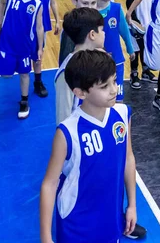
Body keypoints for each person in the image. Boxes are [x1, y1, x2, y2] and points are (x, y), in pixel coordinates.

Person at [39, 50, 138, 243]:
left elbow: (128, 158)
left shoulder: (123, 114)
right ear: (80, 92)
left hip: (110, 218)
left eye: (114, 81)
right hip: (76, 225)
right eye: (104, 86)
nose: (113, 90)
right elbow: (49, 184)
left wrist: (132, 205)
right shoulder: (67, 132)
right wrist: (45, 237)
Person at [0, 0, 44, 119]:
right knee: (5, 75)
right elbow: (0, 2)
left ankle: (24, 100)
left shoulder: (38, 4)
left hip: (25, 47)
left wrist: (40, 48)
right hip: (7, 44)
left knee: (24, 73)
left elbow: (39, 27)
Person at [95, 0, 135, 103]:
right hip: (97, 61)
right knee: (100, 96)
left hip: (117, 59)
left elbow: (124, 31)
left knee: (118, 98)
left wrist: (130, 49)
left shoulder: (116, 8)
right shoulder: (91, 12)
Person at [24, 0, 59, 98]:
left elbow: (53, 2)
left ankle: (38, 82)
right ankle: (24, 82)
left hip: (41, 25)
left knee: (39, 55)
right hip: (25, 25)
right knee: (25, 55)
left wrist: (57, 20)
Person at [126, 0, 157, 88]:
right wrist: (133, 19)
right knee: (136, 48)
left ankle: (145, 70)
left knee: (145, 47)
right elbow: (130, 0)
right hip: (138, 19)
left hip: (149, 19)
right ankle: (134, 73)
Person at [58, 0, 98, 66]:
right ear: (74, 1)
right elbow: (65, 62)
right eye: (85, 3)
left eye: (93, 3)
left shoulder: (95, 21)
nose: (90, 8)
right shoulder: (70, 30)